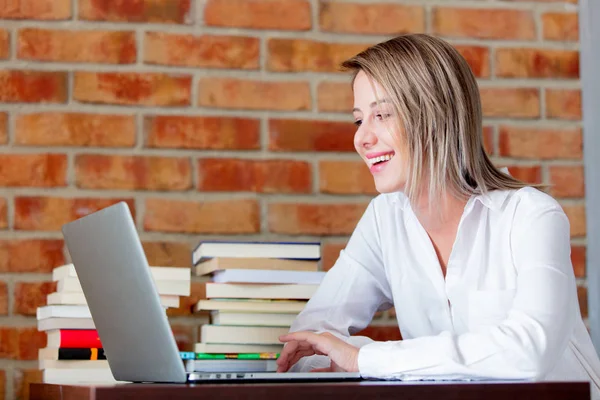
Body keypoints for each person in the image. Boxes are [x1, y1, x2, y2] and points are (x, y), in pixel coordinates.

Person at [275, 33, 600, 398]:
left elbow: (529, 350)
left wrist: (365, 357)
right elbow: (308, 339)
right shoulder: (386, 219)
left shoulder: (531, 216)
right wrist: (345, 357)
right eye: (358, 119)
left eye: (381, 114)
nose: (362, 138)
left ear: (433, 115)